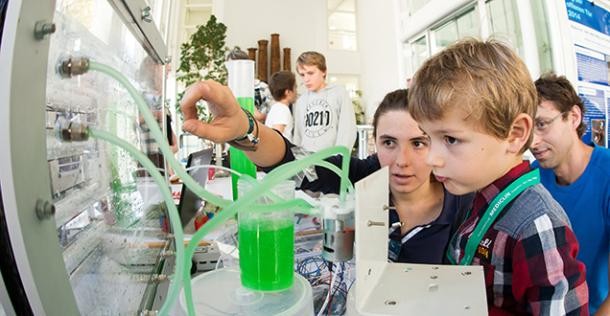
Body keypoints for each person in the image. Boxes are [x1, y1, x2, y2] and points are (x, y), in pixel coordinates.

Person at [180, 85, 472, 264]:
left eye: (418, 143)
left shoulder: (466, 206)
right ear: (375, 143)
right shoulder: (362, 176)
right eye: (389, 143)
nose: (401, 161)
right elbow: (290, 161)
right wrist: (245, 130)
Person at [408, 38, 589, 315]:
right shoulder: (474, 192)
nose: (431, 158)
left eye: (451, 139)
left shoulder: (537, 226)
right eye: (427, 137)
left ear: (515, 135)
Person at [531, 73, 609, 315]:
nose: (532, 141)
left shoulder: (606, 173)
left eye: (542, 124)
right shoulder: (533, 177)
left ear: (573, 117)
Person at [292, 51, 357, 152]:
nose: (306, 79)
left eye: (310, 73)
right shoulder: (301, 101)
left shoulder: (339, 93)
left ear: (324, 71)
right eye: (302, 75)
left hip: (332, 162)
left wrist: (338, 159)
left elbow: (347, 131)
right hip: (306, 163)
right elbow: (298, 136)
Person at [266, 71, 296, 141]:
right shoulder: (282, 109)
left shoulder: (277, 108)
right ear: (287, 92)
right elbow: (276, 136)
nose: (296, 91)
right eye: (295, 87)